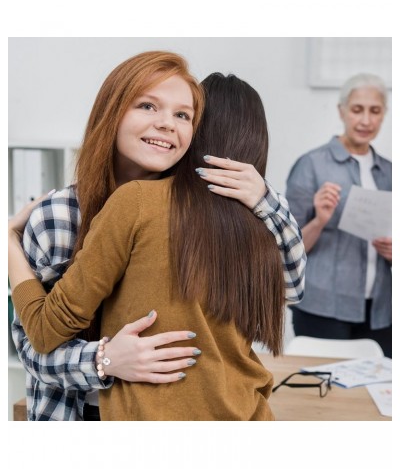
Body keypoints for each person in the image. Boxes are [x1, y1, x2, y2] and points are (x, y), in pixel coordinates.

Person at [10, 52, 306, 421]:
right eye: (148, 106)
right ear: (111, 113)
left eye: (183, 115)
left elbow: (290, 287)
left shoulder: (223, 210)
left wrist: (266, 201)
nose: (167, 124)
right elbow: (33, 348)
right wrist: (105, 360)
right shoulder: (57, 215)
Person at [285, 73, 392, 357]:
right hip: (323, 308)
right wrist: (319, 220)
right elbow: (286, 250)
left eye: (375, 111)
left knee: (378, 395)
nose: (366, 120)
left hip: (381, 312)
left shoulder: (390, 172)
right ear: (342, 111)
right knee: (325, 397)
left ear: (384, 115)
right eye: (357, 110)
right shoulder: (311, 165)